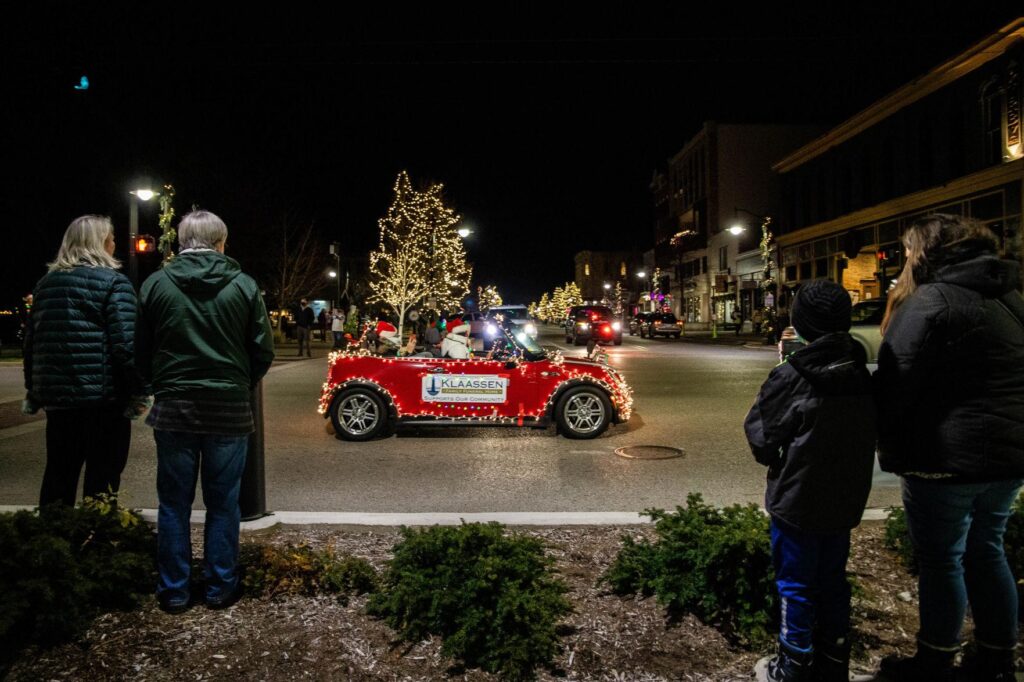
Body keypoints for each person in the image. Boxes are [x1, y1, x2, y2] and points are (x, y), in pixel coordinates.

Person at [873, 215, 1024, 682]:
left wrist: (893, 449)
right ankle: (997, 656)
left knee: (943, 561)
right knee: (987, 550)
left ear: (926, 253)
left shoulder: (931, 301)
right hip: (1008, 459)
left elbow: (896, 386)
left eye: (907, 251)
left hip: (943, 461)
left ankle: (936, 658)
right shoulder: (1012, 298)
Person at [136, 210, 275, 614]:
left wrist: (160, 385)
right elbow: (262, 350)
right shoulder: (244, 286)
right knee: (223, 503)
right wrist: (238, 382)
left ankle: (175, 590)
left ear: (181, 242)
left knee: (174, 503)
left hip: (175, 408)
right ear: (221, 242)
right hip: (228, 410)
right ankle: (219, 586)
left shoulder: (156, 285)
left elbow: (140, 350)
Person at [744, 279, 876, 682]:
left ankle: (794, 666)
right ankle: (834, 660)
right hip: (846, 500)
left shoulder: (792, 375)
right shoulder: (861, 371)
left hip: (797, 502)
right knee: (833, 580)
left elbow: (762, 439)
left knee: (796, 585)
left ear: (799, 322)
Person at [22, 215, 149, 508]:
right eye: (112, 238)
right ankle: (96, 542)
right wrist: (140, 389)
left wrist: (34, 389)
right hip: (103, 400)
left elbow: (31, 342)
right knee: (102, 479)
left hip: (58, 400)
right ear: (101, 243)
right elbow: (125, 346)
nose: (115, 243)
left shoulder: (45, 285)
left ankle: (53, 542)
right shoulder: (114, 283)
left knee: (58, 473)